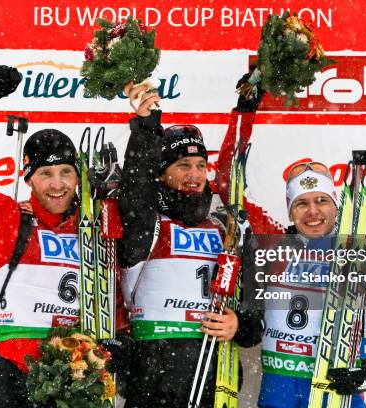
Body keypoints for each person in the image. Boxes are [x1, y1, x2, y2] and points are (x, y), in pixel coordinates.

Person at [215, 77, 366, 408]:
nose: (312, 211)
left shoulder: (361, 258)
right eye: (302, 203)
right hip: (278, 395)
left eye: (321, 201)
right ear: (290, 209)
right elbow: (229, 180)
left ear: (336, 205)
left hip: (335, 396)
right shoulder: (271, 243)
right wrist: (245, 111)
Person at [0, 64, 126, 408]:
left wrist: (118, 337)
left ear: (78, 176)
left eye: (66, 172)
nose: (58, 184)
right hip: (20, 374)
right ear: (28, 178)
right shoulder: (10, 221)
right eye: (46, 173)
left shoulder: (98, 222)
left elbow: (111, 288)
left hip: (83, 372)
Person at [114, 82, 263, 407]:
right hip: (151, 374)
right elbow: (137, 181)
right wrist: (146, 125)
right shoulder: (146, 222)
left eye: (199, 166)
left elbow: (254, 308)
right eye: (183, 165)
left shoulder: (226, 227)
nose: (194, 174)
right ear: (162, 172)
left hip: (212, 372)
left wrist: (239, 325)